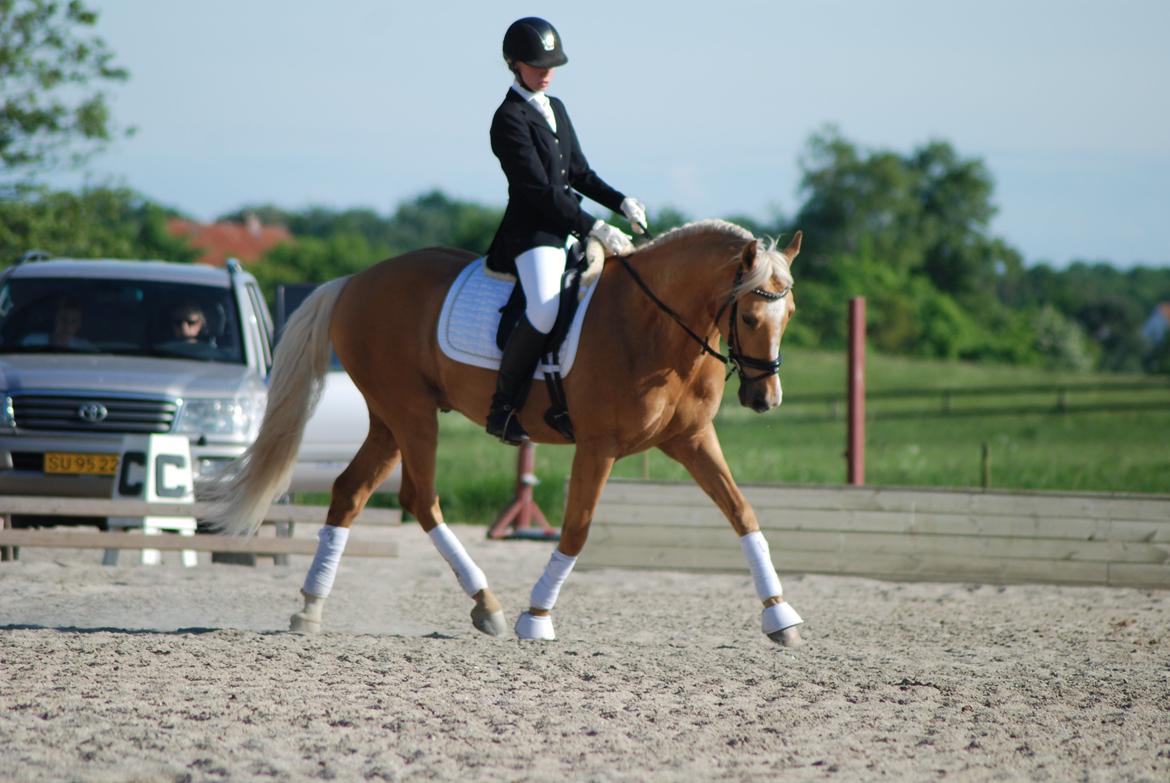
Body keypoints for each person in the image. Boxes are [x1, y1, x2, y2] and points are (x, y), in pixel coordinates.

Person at [484, 16, 649, 445]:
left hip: (569, 226)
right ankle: (503, 407)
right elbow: (538, 190)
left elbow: (578, 173)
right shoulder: (508, 119)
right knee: (543, 308)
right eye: (537, 66)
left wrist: (620, 202)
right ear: (514, 64)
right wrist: (596, 227)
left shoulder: (555, 108)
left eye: (551, 65)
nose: (546, 72)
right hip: (533, 233)